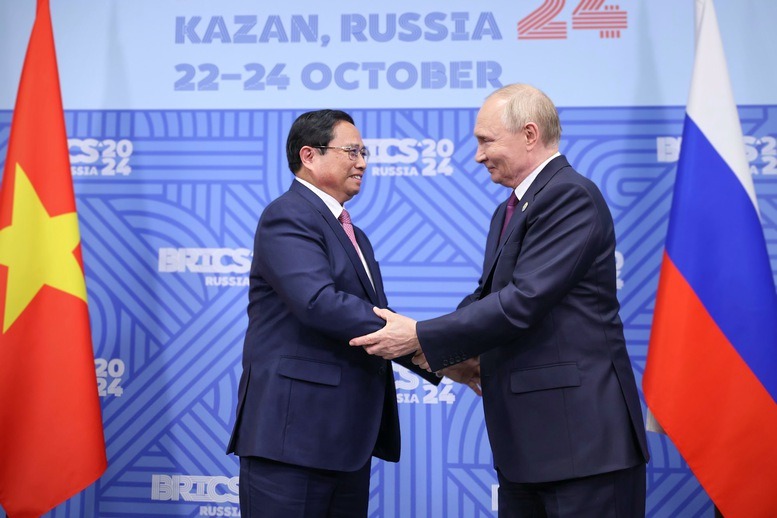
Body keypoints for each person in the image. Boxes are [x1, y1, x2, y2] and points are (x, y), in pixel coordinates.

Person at [350, 84, 650, 517]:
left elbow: (522, 301)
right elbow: (487, 298)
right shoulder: (510, 209)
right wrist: (430, 350)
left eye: (485, 141)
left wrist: (420, 335)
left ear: (529, 134)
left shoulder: (570, 196)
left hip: (581, 443)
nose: (477, 155)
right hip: (529, 445)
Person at [227, 109, 438, 518]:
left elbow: (376, 316)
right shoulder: (287, 215)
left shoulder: (354, 234)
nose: (363, 162)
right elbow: (318, 303)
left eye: (365, 152)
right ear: (309, 155)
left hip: (344, 442)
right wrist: (429, 344)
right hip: (292, 439)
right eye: (352, 151)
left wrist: (438, 356)